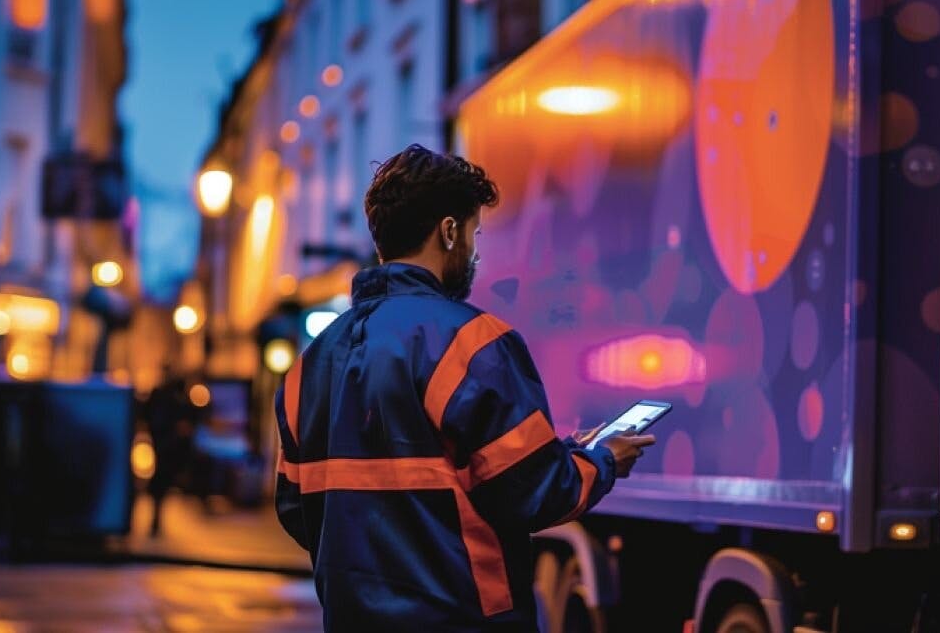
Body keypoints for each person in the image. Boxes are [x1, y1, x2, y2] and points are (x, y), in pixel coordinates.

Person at [274, 144, 655, 631]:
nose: (474, 251)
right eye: (474, 233)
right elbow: (535, 490)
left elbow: (296, 510)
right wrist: (602, 460)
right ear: (449, 231)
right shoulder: (473, 344)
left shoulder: (308, 367)